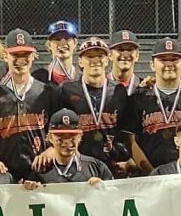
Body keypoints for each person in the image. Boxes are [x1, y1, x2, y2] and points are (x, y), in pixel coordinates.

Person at [121, 38, 181, 173]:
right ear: (152, 65)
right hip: (152, 174)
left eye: (174, 59)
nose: (169, 64)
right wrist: (153, 174)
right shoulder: (137, 99)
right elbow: (132, 142)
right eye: (163, 59)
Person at [0, 28, 59, 181]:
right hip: (2, 174)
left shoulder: (48, 92)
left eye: (25, 55)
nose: (20, 60)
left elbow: (61, 130)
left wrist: (52, 149)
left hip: (41, 172)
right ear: (5, 56)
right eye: (15, 55)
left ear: (34, 55)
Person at [50, 37, 131, 175]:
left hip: (114, 164)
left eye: (100, 56)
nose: (95, 61)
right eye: (89, 56)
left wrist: (130, 159)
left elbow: (126, 131)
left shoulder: (118, 90)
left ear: (107, 59)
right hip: (78, 165)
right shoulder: (66, 90)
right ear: (80, 61)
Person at [28, 109, 113, 185]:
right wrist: (30, 189)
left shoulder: (96, 167)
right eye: (60, 136)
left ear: (80, 136)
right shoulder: (40, 170)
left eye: (72, 135)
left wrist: (102, 187)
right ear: (50, 137)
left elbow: (114, 197)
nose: (66, 141)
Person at [32, 20, 78, 85]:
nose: (62, 43)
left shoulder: (83, 77)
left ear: (75, 43)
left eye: (67, 38)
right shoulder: (37, 78)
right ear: (49, 45)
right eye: (57, 39)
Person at [109, 30, 141, 94]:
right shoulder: (101, 86)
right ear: (110, 55)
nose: (125, 55)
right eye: (120, 49)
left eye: (130, 50)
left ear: (137, 55)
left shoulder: (144, 87)